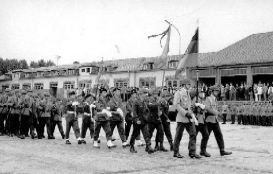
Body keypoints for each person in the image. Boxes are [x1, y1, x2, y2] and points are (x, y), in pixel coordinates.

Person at [173, 79, 201, 159]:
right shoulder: (178, 92)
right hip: (182, 117)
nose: (189, 86)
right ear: (184, 84)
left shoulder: (188, 92)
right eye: (188, 84)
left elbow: (188, 105)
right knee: (178, 135)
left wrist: (191, 112)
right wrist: (185, 113)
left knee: (193, 133)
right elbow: (177, 105)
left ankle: (192, 152)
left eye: (190, 84)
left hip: (189, 117)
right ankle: (176, 152)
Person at [204, 85, 232, 156]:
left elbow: (215, 109)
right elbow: (208, 109)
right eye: (216, 91)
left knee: (219, 135)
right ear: (212, 91)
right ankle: (203, 150)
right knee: (206, 136)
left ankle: (222, 150)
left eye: (218, 91)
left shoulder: (215, 99)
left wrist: (218, 113)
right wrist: (217, 113)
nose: (217, 92)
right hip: (209, 120)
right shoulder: (208, 99)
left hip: (215, 120)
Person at [129, 88, 154, 154]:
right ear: (141, 94)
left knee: (146, 134)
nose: (146, 95)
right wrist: (136, 120)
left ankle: (148, 147)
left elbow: (147, 111)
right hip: (138, 121)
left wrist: (147, 117)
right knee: (135, 134)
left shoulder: (144, 102)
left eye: (146, 93)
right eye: (145, 93)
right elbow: (134, 112)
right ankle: (131, 146)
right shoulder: (136, 101)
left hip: (144, 120)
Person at [192, 89, 211, 157]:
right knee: (193, 136)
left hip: (202, 120)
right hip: (197, 120)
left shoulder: (202, 100)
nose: (203, 94)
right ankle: (192, 151)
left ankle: (203, 151)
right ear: (198, 93)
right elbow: (192, 108)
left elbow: (205, 108)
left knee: (206, 135)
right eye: (201, 92)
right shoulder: (195, 99)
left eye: (203, 92)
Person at [157, 86, 173, 151]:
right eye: (168, 96)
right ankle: (160, 145)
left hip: (165, 119)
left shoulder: (166, 101)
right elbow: (162, 111)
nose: (170, 98)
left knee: (168, 132)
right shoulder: (162, 101)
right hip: (161, 118)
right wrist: (167, 118)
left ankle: (171, 145)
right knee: (161, 132)